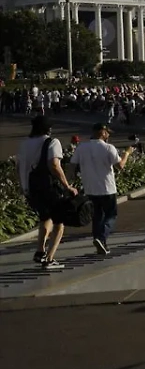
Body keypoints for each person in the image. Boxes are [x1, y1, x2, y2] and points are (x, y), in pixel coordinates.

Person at [16, 115, 76, 270]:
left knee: (45, 218)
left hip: (32, 188)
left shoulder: (24, 144)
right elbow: (55, 165)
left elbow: (19, 167)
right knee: (59, 224)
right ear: (49, 129)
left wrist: (23, 187)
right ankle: (49, 258)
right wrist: (67, 186)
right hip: (49, 188)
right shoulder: (52, 142)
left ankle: (40, 250)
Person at [73, 122, 134, 255]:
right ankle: (102, 237)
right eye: (107, 133)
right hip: (107, 188)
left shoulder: (81, 147)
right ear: (102, 133)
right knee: (111, 215)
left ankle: (100, 241)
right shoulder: (108, 148)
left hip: (90, 188)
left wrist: (69, 183)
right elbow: (120, 166)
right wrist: (127, 153)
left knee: (97, 216)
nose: (108, 135)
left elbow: (72, 166)